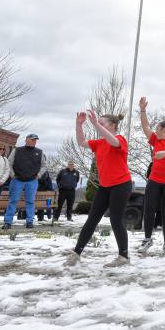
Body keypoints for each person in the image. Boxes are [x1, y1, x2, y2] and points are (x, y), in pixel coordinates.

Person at [65, 111, 132, 267]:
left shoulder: (120, 139)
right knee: (92, 219)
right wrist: (79, 124)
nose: (99, 126)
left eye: (102, 123)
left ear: (113, 126)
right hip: (105, 186)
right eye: (99, 123)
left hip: (121, 185)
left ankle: (123, 257)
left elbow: (113, 141)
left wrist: (95, 124)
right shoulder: (99, 143)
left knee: (116, 220)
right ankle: (76, 253)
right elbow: (81, 142)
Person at [137, 97, 165, 255]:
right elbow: (145, 127)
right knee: (149, 210)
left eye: (158, 129)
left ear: (164, 130)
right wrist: (142, 110)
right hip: (154, 181)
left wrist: (163, 153)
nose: (155, 131)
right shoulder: (156, 140)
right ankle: (147, 239)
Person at [2, 133, 46, 229]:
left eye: (35, 140)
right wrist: (12, 175)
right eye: (32, 139)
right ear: (26, 140)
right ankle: (7, 222)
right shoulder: (17, 150)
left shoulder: (40, 152)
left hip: (32, 180)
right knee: (13, 201)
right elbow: (9, 163)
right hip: (17, 179)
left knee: (30, 201)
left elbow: (43, 166)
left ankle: (29, 221)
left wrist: (39, 175)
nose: (34, 141)